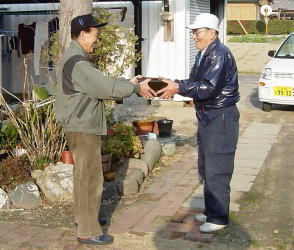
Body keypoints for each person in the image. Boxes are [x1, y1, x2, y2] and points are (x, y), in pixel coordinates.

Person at [55, 13, 155, 245]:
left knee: (84, 177)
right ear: (82, 35)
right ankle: (88, 230)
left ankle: (86, 219)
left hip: (81, 125)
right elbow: (105, 87)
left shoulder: (77, 58)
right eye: (94, 33)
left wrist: (128, 83)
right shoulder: (78, 62)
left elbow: (100, 84)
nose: (97, 38)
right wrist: (136, 88)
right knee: (90, 178)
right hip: (83, 127)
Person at [157, 13, 240, 233]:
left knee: (218, 167)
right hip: (208, 115)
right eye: (193, 32)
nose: (194, 36)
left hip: (220, 117)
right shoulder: (204, 54)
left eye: (198, 31)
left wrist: (178, 88)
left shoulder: (220, 54)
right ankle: (212, 210)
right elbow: (195, 82)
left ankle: (219, 217)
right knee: (206, 166)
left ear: (212, 33)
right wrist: (173, 85)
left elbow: (209, 88)